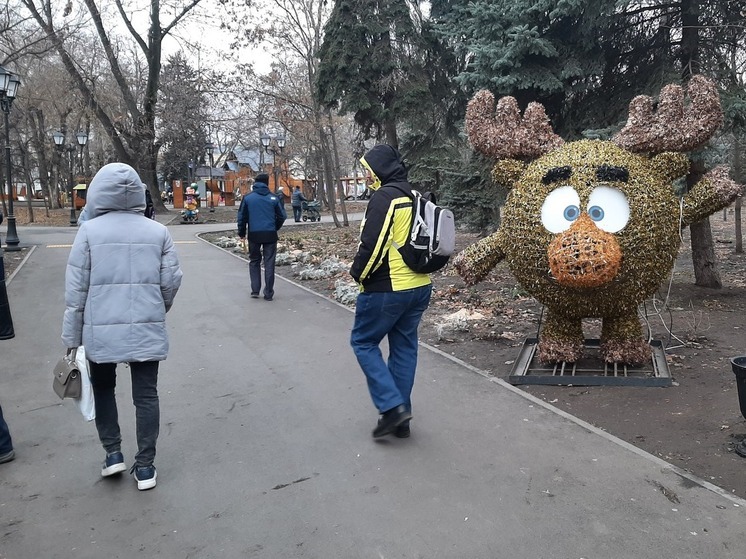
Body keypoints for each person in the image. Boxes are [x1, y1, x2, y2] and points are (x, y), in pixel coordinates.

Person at [62, 163, 182, 491]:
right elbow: (170, 282)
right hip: (146, 326)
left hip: (99, 330)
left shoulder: (88, 232)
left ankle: (113, 453)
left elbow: (76, 291)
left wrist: (72, 338)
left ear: (98, 193)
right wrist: (157, 309)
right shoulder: (157, 231)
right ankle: (145, 467)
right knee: (146, 395)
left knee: (103, 389)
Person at [349, 144, 432, 439]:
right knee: (404, 348)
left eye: (368, 170)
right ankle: (402, 421)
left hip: (388, 288)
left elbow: (374, 246)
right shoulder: (416, 195)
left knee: (363, 342)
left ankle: (392, 407)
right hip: (419, 287)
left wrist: (357, 275)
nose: (366, 176)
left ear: (379, 169)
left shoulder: (387, 197)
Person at [237, 173, 286, 301]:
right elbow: (282, 216)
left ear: (255, 183)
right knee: (269, 262)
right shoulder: (274, 198)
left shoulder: (248, 198)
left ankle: (255, 290)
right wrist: (275, 227)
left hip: (254, 234)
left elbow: (242, 217)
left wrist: (242, 233)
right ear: (267, 182)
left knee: (254, 261)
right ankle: (268, 293)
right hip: (270, 234)